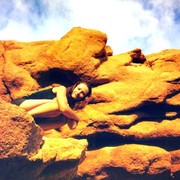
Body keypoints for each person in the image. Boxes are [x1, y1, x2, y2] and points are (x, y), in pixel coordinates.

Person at [12, 81, 92, 130]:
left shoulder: (71, 106)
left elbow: (72, 127)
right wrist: (77, 118)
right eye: (78, 89)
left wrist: (72, 117)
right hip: (21, 104)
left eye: (82, 93)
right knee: (57, 105)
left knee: (64, 119)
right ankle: (24, 118)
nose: (78, 92)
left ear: (84, 97)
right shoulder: (62, 89)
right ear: (74, 87)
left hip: (35, 115)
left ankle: (33, 128)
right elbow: (63, 108)